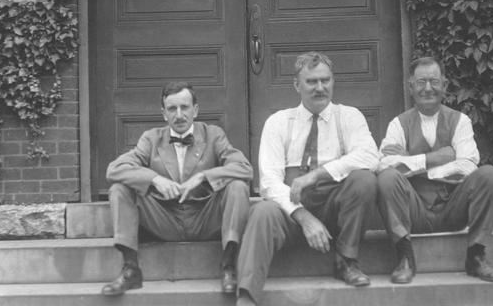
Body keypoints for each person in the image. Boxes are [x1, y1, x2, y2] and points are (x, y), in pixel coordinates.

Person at [236, 52, 380, 306]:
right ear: (297, 85)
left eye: (326, 80)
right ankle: (247, 296)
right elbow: (269, 182)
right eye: (312, 82)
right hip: (292, 213)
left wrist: (316, 175)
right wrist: (303, 217)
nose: (320, 88)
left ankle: (346, 260)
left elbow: (370, 156)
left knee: (364, 180)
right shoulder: (279, 122)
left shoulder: (349, 116)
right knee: (262, 211)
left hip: (336, 210)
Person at [101, 81, 253, 296]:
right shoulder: (152, 138)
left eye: (185, 107)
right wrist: (155, 179)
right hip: (164, 218)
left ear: (196, 110)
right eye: (172, 109)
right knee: (119, 188)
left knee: (237, 186)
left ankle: (229, 266)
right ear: (164, 113)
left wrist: (204, 176)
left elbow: (244, 168)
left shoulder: (213, 134)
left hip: (205, 217)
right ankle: (130, 269)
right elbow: (114, 169)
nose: (179, 115)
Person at [376, 56, 493, 285]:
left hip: (453, 209)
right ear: (411, 87)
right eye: (421, 82)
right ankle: (404, 257)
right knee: (387, 178)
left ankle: (476, 256)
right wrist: (436, 158)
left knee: (491, 175)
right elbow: (386, 164)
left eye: (434, 82)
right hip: (413, 211)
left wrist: (414, 165)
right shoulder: (398, 123)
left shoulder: (460, 121)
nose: (428, 88)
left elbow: (467, 166)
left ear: (444, 85)